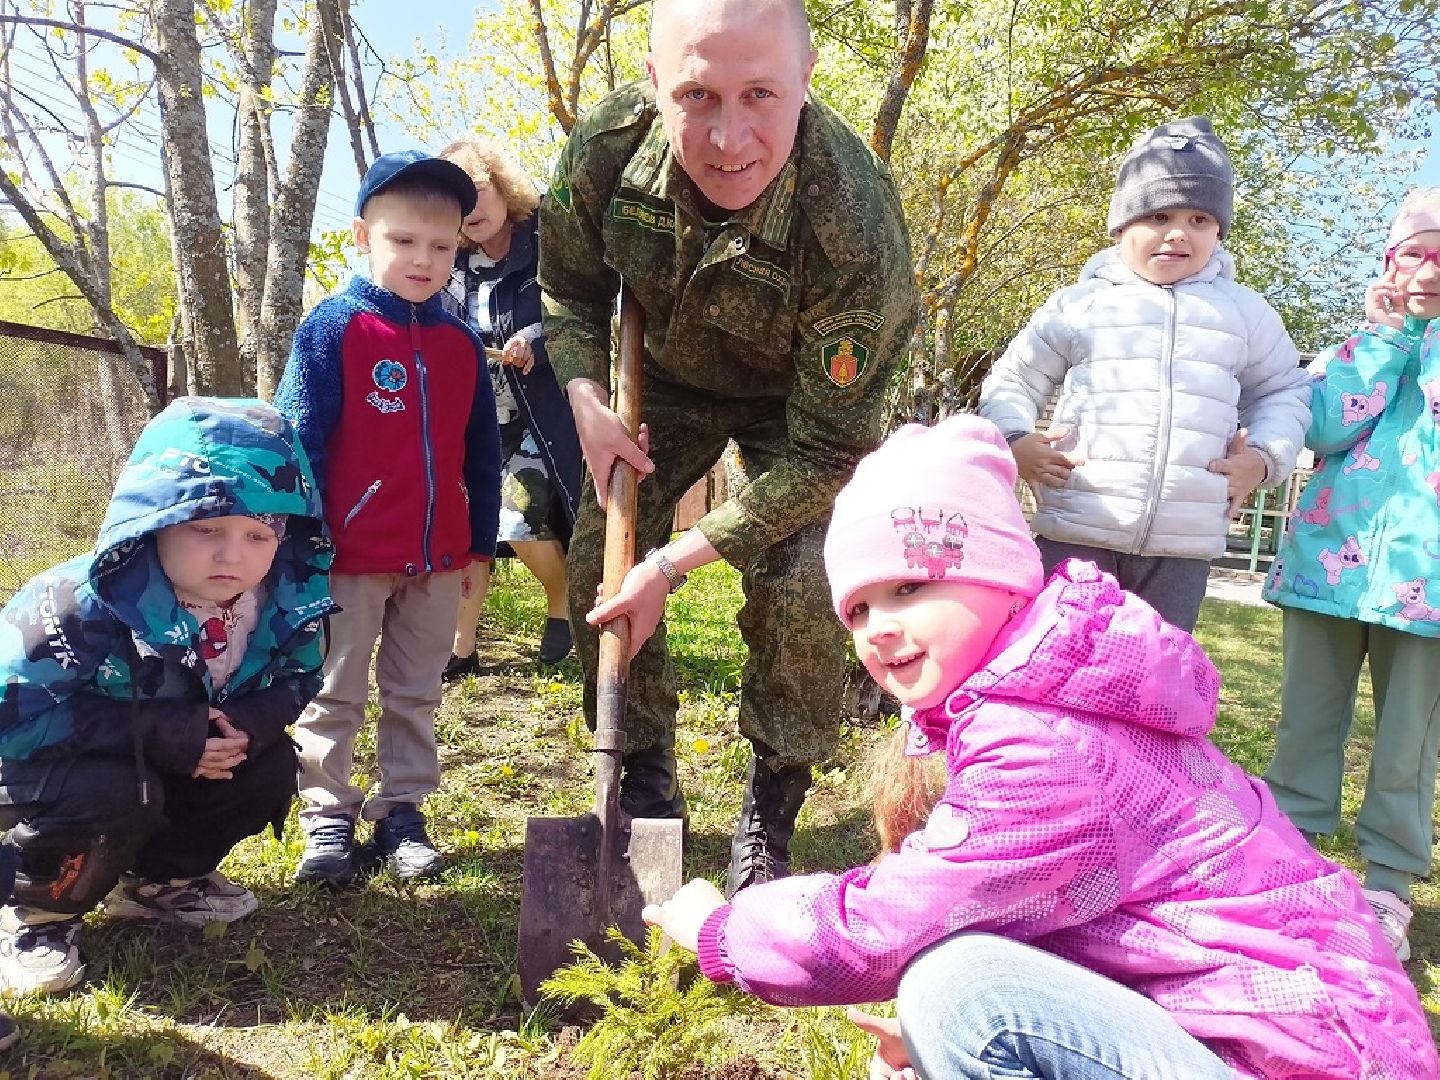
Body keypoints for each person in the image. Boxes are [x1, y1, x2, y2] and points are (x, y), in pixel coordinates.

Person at [643, 415, 1436, 1080]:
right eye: (857, 609)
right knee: (956, 994)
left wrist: (726, 929)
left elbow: (891, 922)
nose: (880, 625)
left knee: (963, 989)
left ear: (1002, 577)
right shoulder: (1061, 696)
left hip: (1301, 1062)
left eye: (911, 587)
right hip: (1277, 1042)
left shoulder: (1044, 745)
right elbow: (1097, 926)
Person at [539, 0, 920, 895]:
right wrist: (585, 395)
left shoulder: (856, 227)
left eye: (760, 95)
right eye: (696, 96)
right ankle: (643, 775)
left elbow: (829, 454)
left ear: (808, 79)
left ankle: (771, 802)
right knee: (605, 546)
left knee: (801, 578)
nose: (727, 135)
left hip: (799, 410)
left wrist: (673, 562)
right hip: (659, 385)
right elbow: (568, 290)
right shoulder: (602, 153)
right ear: (651, 81)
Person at [0, 397, 335, 995]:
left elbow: (298, 678)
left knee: (268, 764)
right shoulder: (77, 604)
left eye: (258, 534)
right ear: (155, 518)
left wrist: (245, 724)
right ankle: (35, 914)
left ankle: (157, 884)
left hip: (162, 753)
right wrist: (163, 732)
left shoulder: (288, 601)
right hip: (41, 774)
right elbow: (11, 719)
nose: (232, 554)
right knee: (116, 790)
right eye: (206, 528)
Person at [979, 117, 1312, 632]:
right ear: (1122, 227)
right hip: (1078, 532)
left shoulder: (1245, 314)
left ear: (1219, 231)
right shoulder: (1081, 305)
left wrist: (1264, 460)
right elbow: (1013, 380)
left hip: (1181, 549)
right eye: (1158, 215)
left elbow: (1284, 391)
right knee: (1054, 668)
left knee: (1154, 685)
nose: (1179, 232)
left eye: (1200, 219)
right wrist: (1016, 440)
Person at [274, 151, 501, 885]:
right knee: (334, 688)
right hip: (346, 557)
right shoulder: (333, 330)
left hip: (436, 560)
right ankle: (328, 818)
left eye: (442, 247)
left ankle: (402, 812)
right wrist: (293, 540)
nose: (423, 259)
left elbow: (480, 455)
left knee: (416, 691)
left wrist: (480, 545)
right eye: (403, 241)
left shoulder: (462, 343)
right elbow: (298, 441)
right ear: (362, 237)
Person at [1262, 187, 1440, 964]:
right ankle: (1290, 859)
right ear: (1389, 263)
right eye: (1416, 251)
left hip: (1427, 589)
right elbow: (1328, 425)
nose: (1428, 268)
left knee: (1407, 746)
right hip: (1325, 576)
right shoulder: (1354, 349)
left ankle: (1389, 885)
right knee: (1305, 723)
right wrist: (1390, 337)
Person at [438, 136, 583, 675]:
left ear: (502, 185)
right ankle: (461, 649)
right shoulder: (448, 260)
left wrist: (536, 340)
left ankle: (562, 601)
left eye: (476, 190)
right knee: (467, 530)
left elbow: (580, 308)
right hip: (476, 419)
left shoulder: (549, 235)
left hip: (545, 413)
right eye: (456, 199)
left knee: (516, 517)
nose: (469, 208)